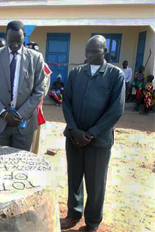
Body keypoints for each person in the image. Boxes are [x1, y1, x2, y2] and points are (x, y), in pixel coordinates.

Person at [61, 35, 125, 232]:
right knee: (74, 178)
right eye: (87, 51)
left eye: (94, 51)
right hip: (74, 137)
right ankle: (73, 214)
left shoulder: (116, 75)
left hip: (99, 141)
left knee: (96, 183)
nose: (89, 55)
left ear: (104, 51)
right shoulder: (76, 73)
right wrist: (73, 129)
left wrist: (91, 133)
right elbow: (67, 102)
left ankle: (92, 223)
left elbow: (116, 110)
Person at [0, 20, 47, 151]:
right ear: (6, 36)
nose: (15, 44)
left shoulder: (36, 58)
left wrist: (20, 114)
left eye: (18, 41)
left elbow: (40, 90)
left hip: (25, 124)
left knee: (22, 165)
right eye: (11, 40)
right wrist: (4, 114)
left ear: (24, 36)